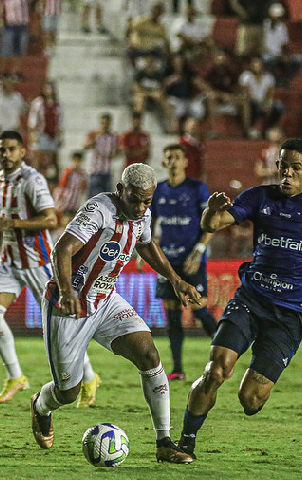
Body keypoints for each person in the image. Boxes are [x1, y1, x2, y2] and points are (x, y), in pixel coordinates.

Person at [177, 139, 302, 460]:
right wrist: (212, 210)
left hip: (289, 314)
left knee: (251, 399)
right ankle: (185, 442)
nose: (286, 172)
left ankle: (254, 390)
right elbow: (212, 225)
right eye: (283, 165)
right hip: (250, 300)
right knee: (215, 372)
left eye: (295, 167)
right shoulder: (259, 197)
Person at [29, 162, 199, 464]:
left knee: (149, 355)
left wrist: (175, 279)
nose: (141, 207)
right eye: (135, 200)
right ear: (121, 190)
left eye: (147, 201)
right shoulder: (100, 210)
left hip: (106, 300)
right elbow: (62, 249)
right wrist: (68, 292)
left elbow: (146, 245)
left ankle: (164, 442)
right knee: (68, 393)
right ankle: (40, 406)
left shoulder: (142, 213)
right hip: (70, 305)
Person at [0, 131, 100, 406]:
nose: (6, 154)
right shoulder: (1, 178)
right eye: (1, 150)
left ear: (22, 152)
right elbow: (10, 215)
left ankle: (89, 377)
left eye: (12, 149)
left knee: (64, 328)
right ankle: (15, 377)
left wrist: (12, 225)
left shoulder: (32, 179)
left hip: (37, 263)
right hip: (9, 260)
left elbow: (50, 219)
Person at [149, 144, 216, 380]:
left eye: (177, 157)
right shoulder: (159, 190)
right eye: (169, 158)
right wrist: (143, 251)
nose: (173, 161)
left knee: (199, 309)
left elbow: (211, 221)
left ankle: (225, 357)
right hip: (167, 260)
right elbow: (151, 223)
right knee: (172, 314)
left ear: (186, 162)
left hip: (191, 259)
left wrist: (199, 249)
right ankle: (177, 369)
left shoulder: (197, 188)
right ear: (164, 162)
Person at [83, 112, 120, 197]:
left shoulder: (114, 136)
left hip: (107, 171)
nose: (105, 125)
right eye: (103, 123)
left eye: (107, 123)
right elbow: (85, 146)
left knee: (107, 199)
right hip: (94, 171)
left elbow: (117, 152)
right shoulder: (93, 134)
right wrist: (91, 144)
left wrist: (113, 154)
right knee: (92, 199)